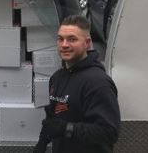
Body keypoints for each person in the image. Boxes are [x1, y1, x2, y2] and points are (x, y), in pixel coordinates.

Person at [33, 15, 120, 153]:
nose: (64, 45)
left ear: (86, 43)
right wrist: (42, 142)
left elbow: (109, 132)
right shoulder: (57, 78)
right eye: (60, 39)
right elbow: (52, 119)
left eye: (72, 39)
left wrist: (66, 128)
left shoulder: (97, 83)